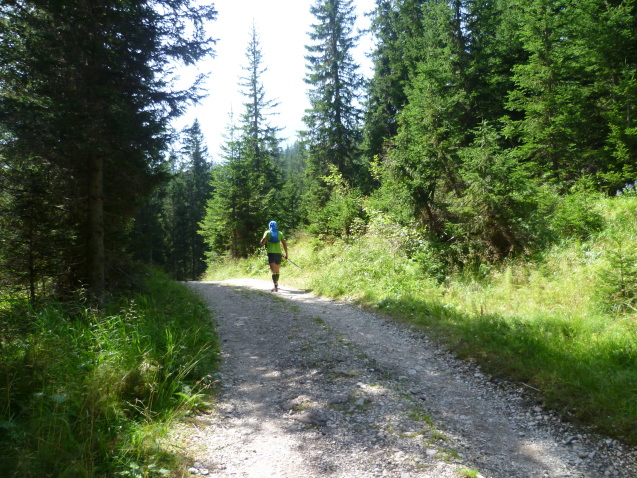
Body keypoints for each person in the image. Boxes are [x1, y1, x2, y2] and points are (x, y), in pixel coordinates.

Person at [260, 220, 288, 292]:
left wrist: (262, 239)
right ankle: (276, 284)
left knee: (273, 271)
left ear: (269, 226)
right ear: (276, 226)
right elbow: (284, 244)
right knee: (277, 270)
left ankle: (275, 287)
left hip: (271, 253)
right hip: (278, 253)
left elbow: (262, 243)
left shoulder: (267, 233)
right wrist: (286, 254)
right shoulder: (280, 233)